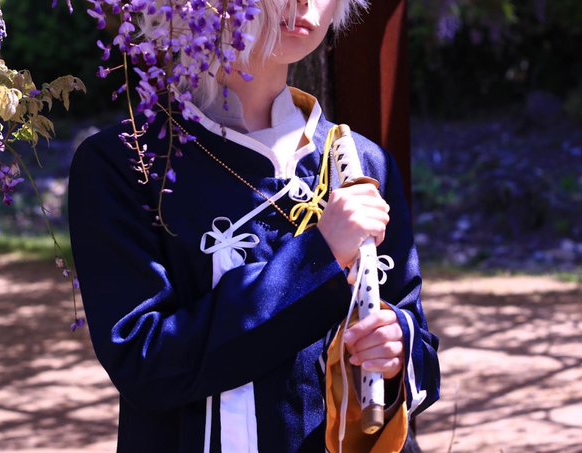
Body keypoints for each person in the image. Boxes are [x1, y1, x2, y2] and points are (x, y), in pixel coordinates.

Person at [68, 0, 440, 451]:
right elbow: (144, 362)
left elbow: (419, 349)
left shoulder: (363, 163)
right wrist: (317, 258)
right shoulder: (127, 164)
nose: (304, 3)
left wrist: (396, 346)